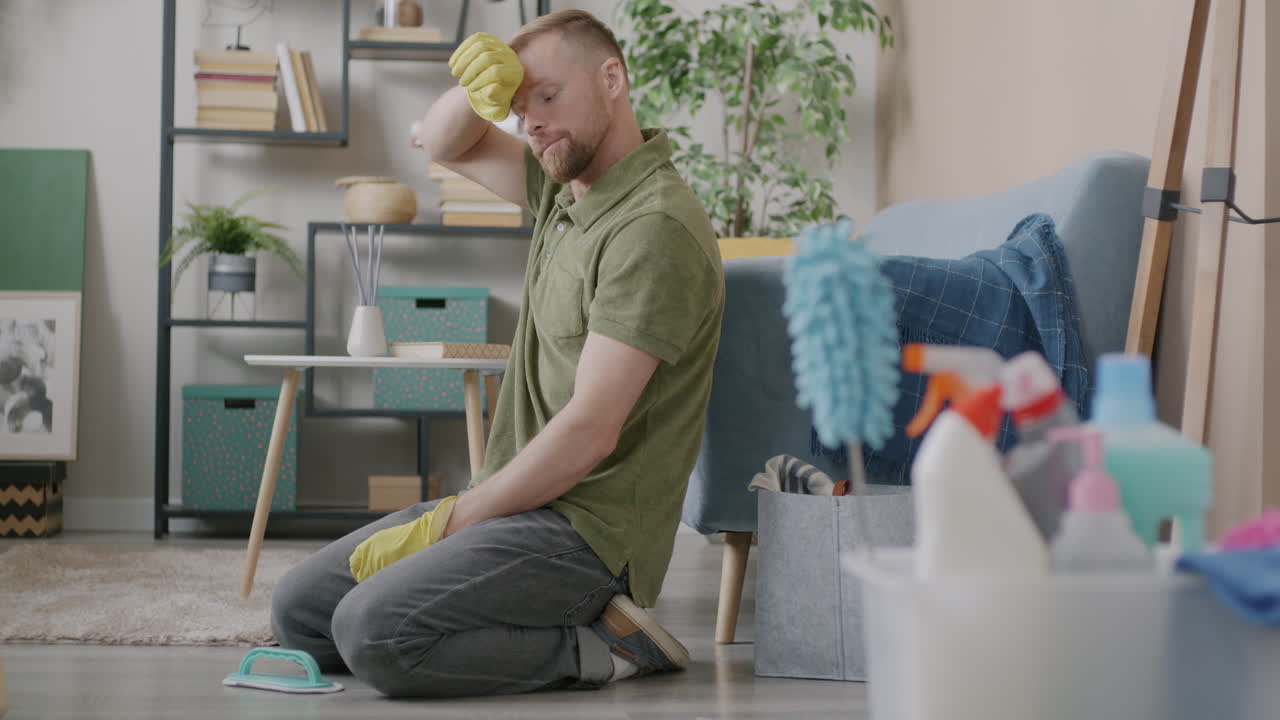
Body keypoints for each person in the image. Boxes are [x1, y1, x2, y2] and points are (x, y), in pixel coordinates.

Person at [271, 9, 725, 698]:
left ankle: (607, 647)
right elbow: (442, 140)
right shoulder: (565, 191)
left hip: (588, 537)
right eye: (518, 106)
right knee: (300, 608)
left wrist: (451, 522)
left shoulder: (651, 226)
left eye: (547, 96)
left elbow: (591, 432)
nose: (531, 121)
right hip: (518, 504)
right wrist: (485, 82)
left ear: (612, 80)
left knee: (372, 632)